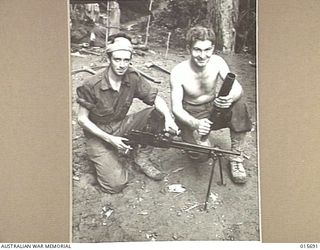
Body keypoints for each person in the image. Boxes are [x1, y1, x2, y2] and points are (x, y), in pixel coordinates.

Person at [76, 33, 179, 193]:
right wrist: (110, 139)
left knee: (158, 114)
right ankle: (105, 159)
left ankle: (140, 156)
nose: (122, 65)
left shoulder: (132, 77)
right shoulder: (91, 84)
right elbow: (82, 119)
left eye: (126, 60)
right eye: (117, 59)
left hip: (121, 125)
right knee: (115, 185)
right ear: (109, 59)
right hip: (97, 135)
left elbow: (155, 98)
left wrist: (168, 118)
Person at [170, 26, 252, 184]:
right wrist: (196, 123)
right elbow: (176, 108)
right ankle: (188, 136)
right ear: (188, 48)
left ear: (213, 48)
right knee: (201, 156)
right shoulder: (178, 72)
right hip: (191, 114)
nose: (202, 55)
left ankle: (236, 156)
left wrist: (230, 98)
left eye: (207, 49)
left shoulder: (217, 62)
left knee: (238, 103)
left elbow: (237, 88)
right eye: (197, 50)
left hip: (215, 108)